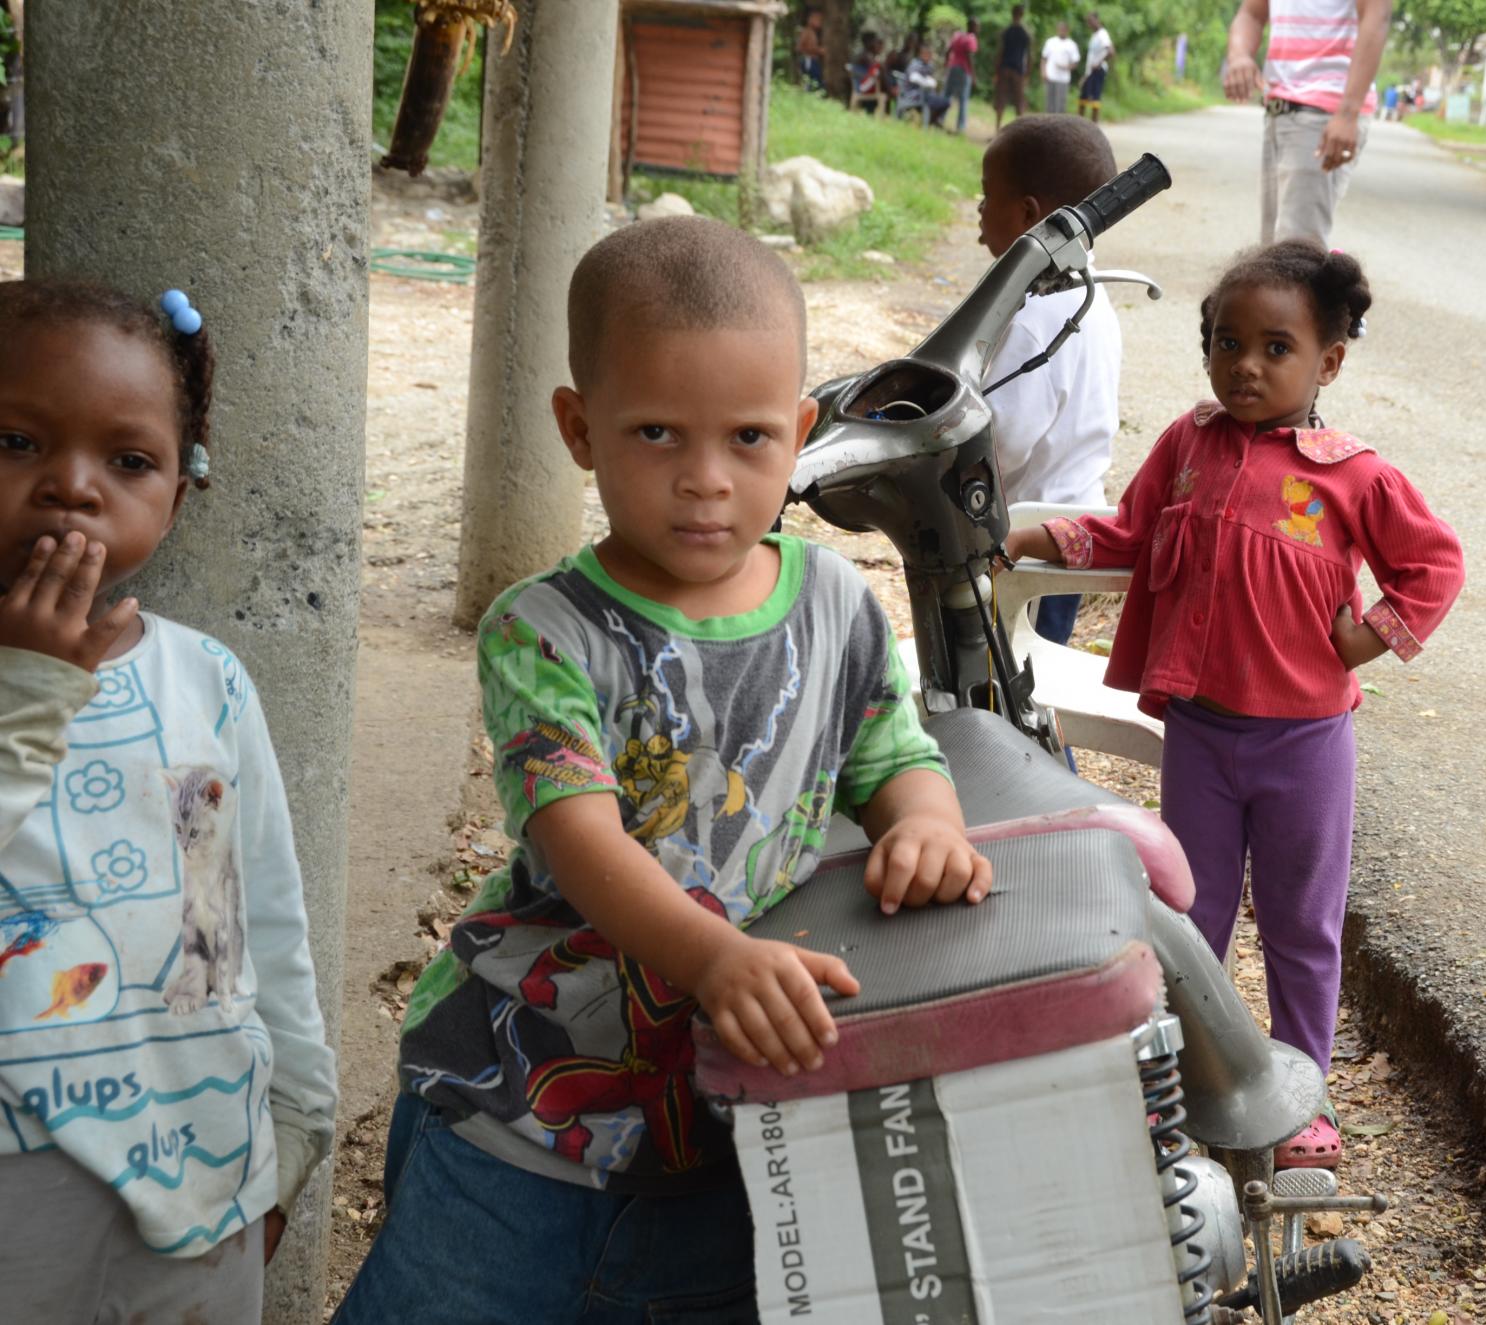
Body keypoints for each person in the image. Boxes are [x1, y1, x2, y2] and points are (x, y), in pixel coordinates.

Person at [334, 217, 992, 1323]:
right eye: (653, 434)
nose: (703, 481)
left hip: (737, 1107)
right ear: (578, 428)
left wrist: (925, 822)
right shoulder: (544, 630)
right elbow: (575, 832)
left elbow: (892, 755)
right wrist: (715, 955)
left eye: (746, 438)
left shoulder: (835, 607)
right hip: (524, 1109)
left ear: (800, 431)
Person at [1004, 244, 1464, 1170]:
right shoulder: (1188, 443)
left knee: (1301, 928)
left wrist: (1369, 634)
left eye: (1275, 347)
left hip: (1307, 745)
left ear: (1328, 361)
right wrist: (1021, 527)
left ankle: (1302, 1102)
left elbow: (1434, 563)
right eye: (1226, 342)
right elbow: (1126, 534)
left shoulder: (1354, 475)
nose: (1245, 364)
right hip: (1203, 738)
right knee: (1189, 919)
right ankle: (1180, 1090)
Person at [0, 278, 337, 1317]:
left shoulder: (207, 681)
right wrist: (27, 692)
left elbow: (255, 918)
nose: (72, 486)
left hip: (203, 1165)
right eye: (17, 442)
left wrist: (296, 1118)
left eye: (128, 460)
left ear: (178, 495)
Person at [976, 116, 1122, 647]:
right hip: (1072, 526)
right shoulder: (1091, 296)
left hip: (1030, 539)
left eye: (987, 196)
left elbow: (1003, 440)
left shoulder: (1039, 317)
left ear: (1028, 214)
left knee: (1009, 673)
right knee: (1040, 666)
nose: (979, 210)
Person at [1223, 0, 1390, 247]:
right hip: (1279, 111)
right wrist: (1239, 56)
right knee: (1274, 252)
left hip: (1324, 113)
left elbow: (1376, 16)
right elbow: (1251, 14)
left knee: (1297, 251)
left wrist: (1347, 114)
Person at [995, 5, 1032, 129]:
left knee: (1001, 98)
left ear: (1012, 14)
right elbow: (1029, 55)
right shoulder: (1025, 33)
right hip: (1018, 70)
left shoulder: (1006, 31)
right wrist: (1027, 73)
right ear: (1021, 15)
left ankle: (997, 128)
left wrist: (996, 71)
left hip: (1005, 68)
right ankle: (1019, 130)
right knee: (1019, 101)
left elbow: (1000, 52)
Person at [900, 41, 952, 127]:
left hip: (925, 94)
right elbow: (913, 77)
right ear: (921, 54)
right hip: (914, 95)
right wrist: (927, 82)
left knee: (945, 102)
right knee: (940, 101)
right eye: (927, 53)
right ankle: (929, 122)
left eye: (930, 53)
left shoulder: (928, 66)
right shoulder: (915, 64)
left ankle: (930, 121)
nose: (929, 56)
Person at [944, 17, 979, 135]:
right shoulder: (971, 38)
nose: (979, 29)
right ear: (973, 26)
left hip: (953, 67)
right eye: (977, 26)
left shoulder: (957, 35)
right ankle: (961, 126)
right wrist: (973, 75)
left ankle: (939, 117)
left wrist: (946, 63)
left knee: (947, 95)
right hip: (964, 71)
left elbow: (948, 50)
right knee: (963, 99)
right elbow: (970, 57)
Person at [1078, 13, 1114, 122]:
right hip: (1090, 71)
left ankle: (1094, 127)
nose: (1090, 24)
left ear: (1097, 20)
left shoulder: (1103, 34)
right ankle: (1080, 126)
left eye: (1091, 21)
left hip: (1098, 70)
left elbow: (1111, 51)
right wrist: (1085, 75)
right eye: (1088, 22)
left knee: (1095, 99)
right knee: (1083, 98)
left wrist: (1098, 64)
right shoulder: (1094, 36)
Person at [1041, 20, 1080, 115]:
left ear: (1067, 30)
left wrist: (1066, 67)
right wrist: (1043, 72)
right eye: (1060, 29)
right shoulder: (1050, 42)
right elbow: (1044, 58)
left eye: (1063, 29)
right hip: (1051, 76)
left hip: (1063, 79)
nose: (1061, 31)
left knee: (1060, 105)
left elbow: (1075, 62)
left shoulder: (1071, 45)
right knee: (1049, 104)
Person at [796, 7, 826, 90]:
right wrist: (818, 50)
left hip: (813, 61)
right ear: (810, 19)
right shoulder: (806, 31)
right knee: (810, 81)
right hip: (808, 60)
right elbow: (799, 47)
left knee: (817, 80)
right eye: (818, 19)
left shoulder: (813, 32)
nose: (820, 22)